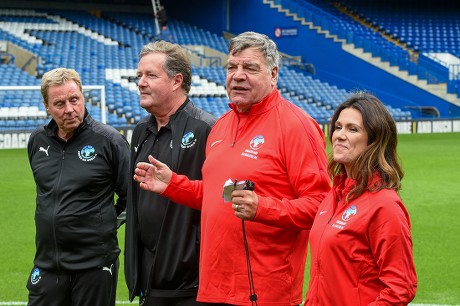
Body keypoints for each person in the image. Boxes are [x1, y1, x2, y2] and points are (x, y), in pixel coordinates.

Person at [133, 31, 331, 305]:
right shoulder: (222, 126)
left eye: (250, 68)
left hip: (264, 292)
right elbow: (222, 195)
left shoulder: (296, 125)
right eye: (231, 67)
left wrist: (262, 208)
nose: (238, 75)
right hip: (213, 287)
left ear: (273, 74)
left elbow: (321, 206)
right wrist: (173, 185)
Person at [26, 68, 130, 306]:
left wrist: (102, 224)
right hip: (47, 263)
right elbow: (46, 193)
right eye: (59, 103)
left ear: (83, 96)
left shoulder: (110, 141)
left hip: (94, 265)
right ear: (47, 106)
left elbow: (131, 197)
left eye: (74, 99)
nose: (69, 109)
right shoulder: (37, 141)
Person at [124, 41, 216, 306]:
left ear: (177, 81)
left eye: (150, 75)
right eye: (138, 75)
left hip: (191, 285)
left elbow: (216, 199)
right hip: (149, 280)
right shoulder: (141, 131)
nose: (140, 82)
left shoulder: (207, 129)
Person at [304, 92, 417, 305]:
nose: (339, 135)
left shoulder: (385, 205)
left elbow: (401, 287)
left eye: (352, 129)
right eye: (338, 127)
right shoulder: (333, 196)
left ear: (374, 140)